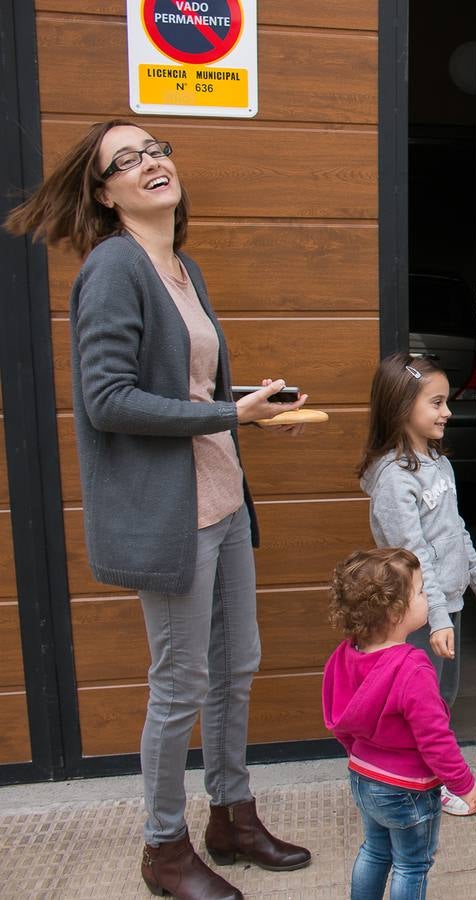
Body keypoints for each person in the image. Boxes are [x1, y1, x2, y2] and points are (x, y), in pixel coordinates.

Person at [5, 119, 312, 899]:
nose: (149, 164)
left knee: (235, 666)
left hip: (220, 502)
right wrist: (226, 417)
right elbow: (107, 401)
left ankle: (232, 816)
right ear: (104, 193)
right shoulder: (114, 268)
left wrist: (248, 405)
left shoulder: (183, 268)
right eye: (126, 160)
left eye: (156, 150)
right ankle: (163, 850)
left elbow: (186, 391)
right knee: (180, 681)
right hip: (169, 516)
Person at [358, 351, 476, 813]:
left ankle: (424, 772)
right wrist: (437, 617)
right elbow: (416, 557)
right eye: (437, 403)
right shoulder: (394, 482)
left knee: (442, 697)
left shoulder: (437, 462)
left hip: (448, 605)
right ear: (402, 408)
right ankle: (421, 780)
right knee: (421, 704)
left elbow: (455, 529)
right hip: (418, 612)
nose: (447, 412)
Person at [323, 548, 476, 900]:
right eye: (422, 592)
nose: (428, 597)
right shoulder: (413, 668)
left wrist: (360, 755)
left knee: (374, 851)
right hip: (408, 786)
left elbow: (337, 719)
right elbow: (436, 740)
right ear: (397, 612)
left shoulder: (345, 654)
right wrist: (464, 784)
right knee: (411, 865)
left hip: (363, 776)